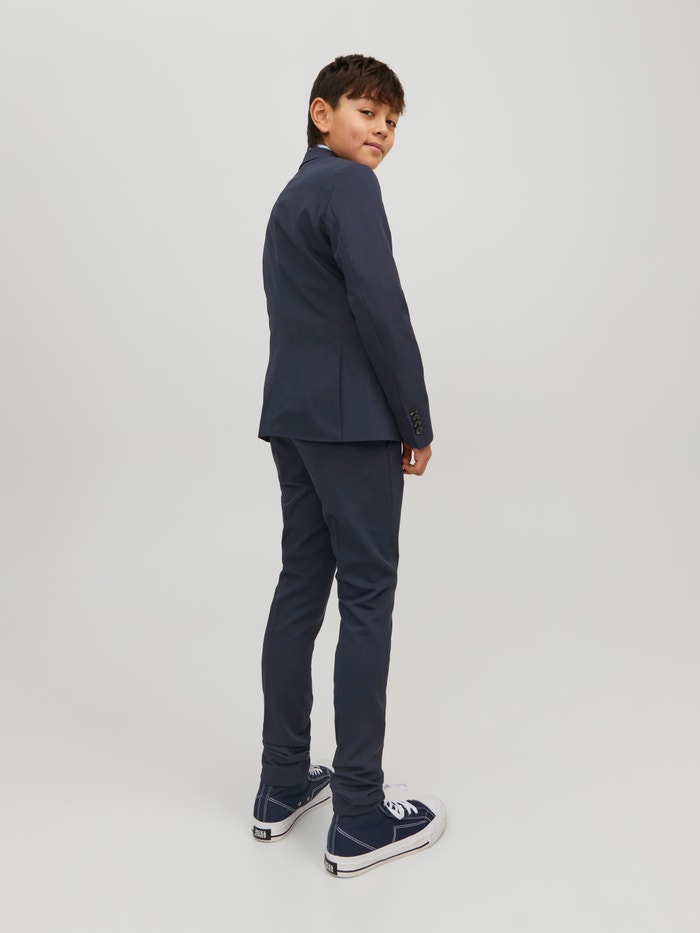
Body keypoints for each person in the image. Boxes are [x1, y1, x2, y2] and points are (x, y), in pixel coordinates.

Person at [251, 54, 446, 878]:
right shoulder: (349, 187)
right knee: (368, 595)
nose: (383, 131)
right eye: (368, 112)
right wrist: (415, 417)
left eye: (393, 121)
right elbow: (380, 304)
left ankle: (281, 780)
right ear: (320, 112)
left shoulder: (290, 196)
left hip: (293, 419)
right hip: (353, 425)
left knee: (302, 581)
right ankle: (360, 812)